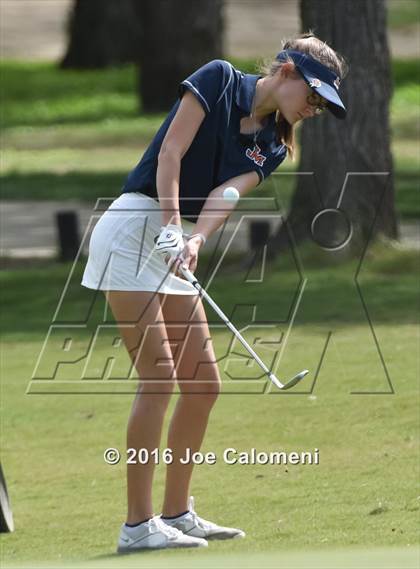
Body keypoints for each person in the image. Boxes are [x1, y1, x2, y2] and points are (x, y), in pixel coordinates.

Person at [81, 33, 348, 553]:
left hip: (174, 236)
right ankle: (137, 526)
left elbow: (229, 191)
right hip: (135, 225)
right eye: (314, 95)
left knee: (203, 384)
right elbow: (172, 153)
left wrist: (196, 236)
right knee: (157, 381)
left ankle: (176, 513)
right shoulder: (219, 79)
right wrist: (168, 225)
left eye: (323, 104)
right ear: (288, 73)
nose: (314, 109)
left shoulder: (275, 143)